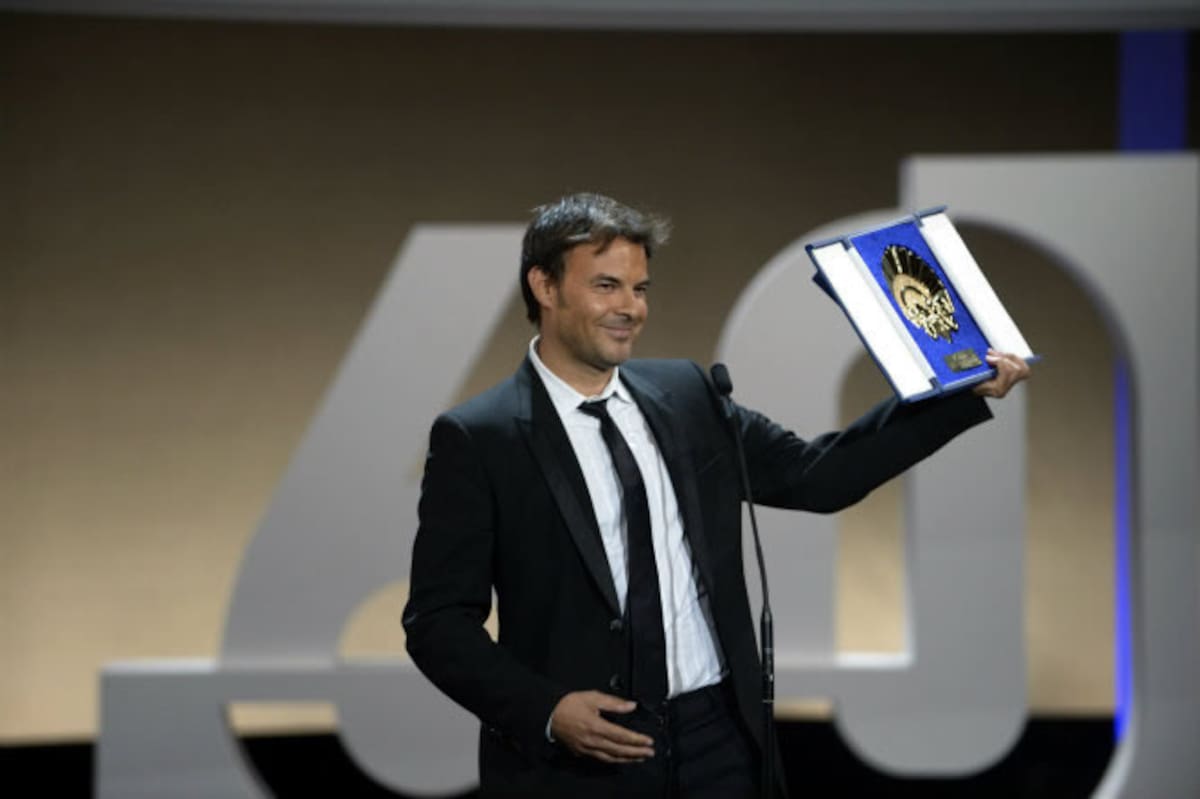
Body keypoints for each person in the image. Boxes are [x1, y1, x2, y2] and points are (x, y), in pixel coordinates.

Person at [402, 193, 1029, 798]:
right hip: (580, 760)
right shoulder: (479, 437)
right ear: (544, 286)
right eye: (607, 286)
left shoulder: (686, 395)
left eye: (640, 288)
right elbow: (438, 622)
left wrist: (955, 394)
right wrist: (546, 709)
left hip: (719, 740)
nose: (630, 308)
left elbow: (818, 476)